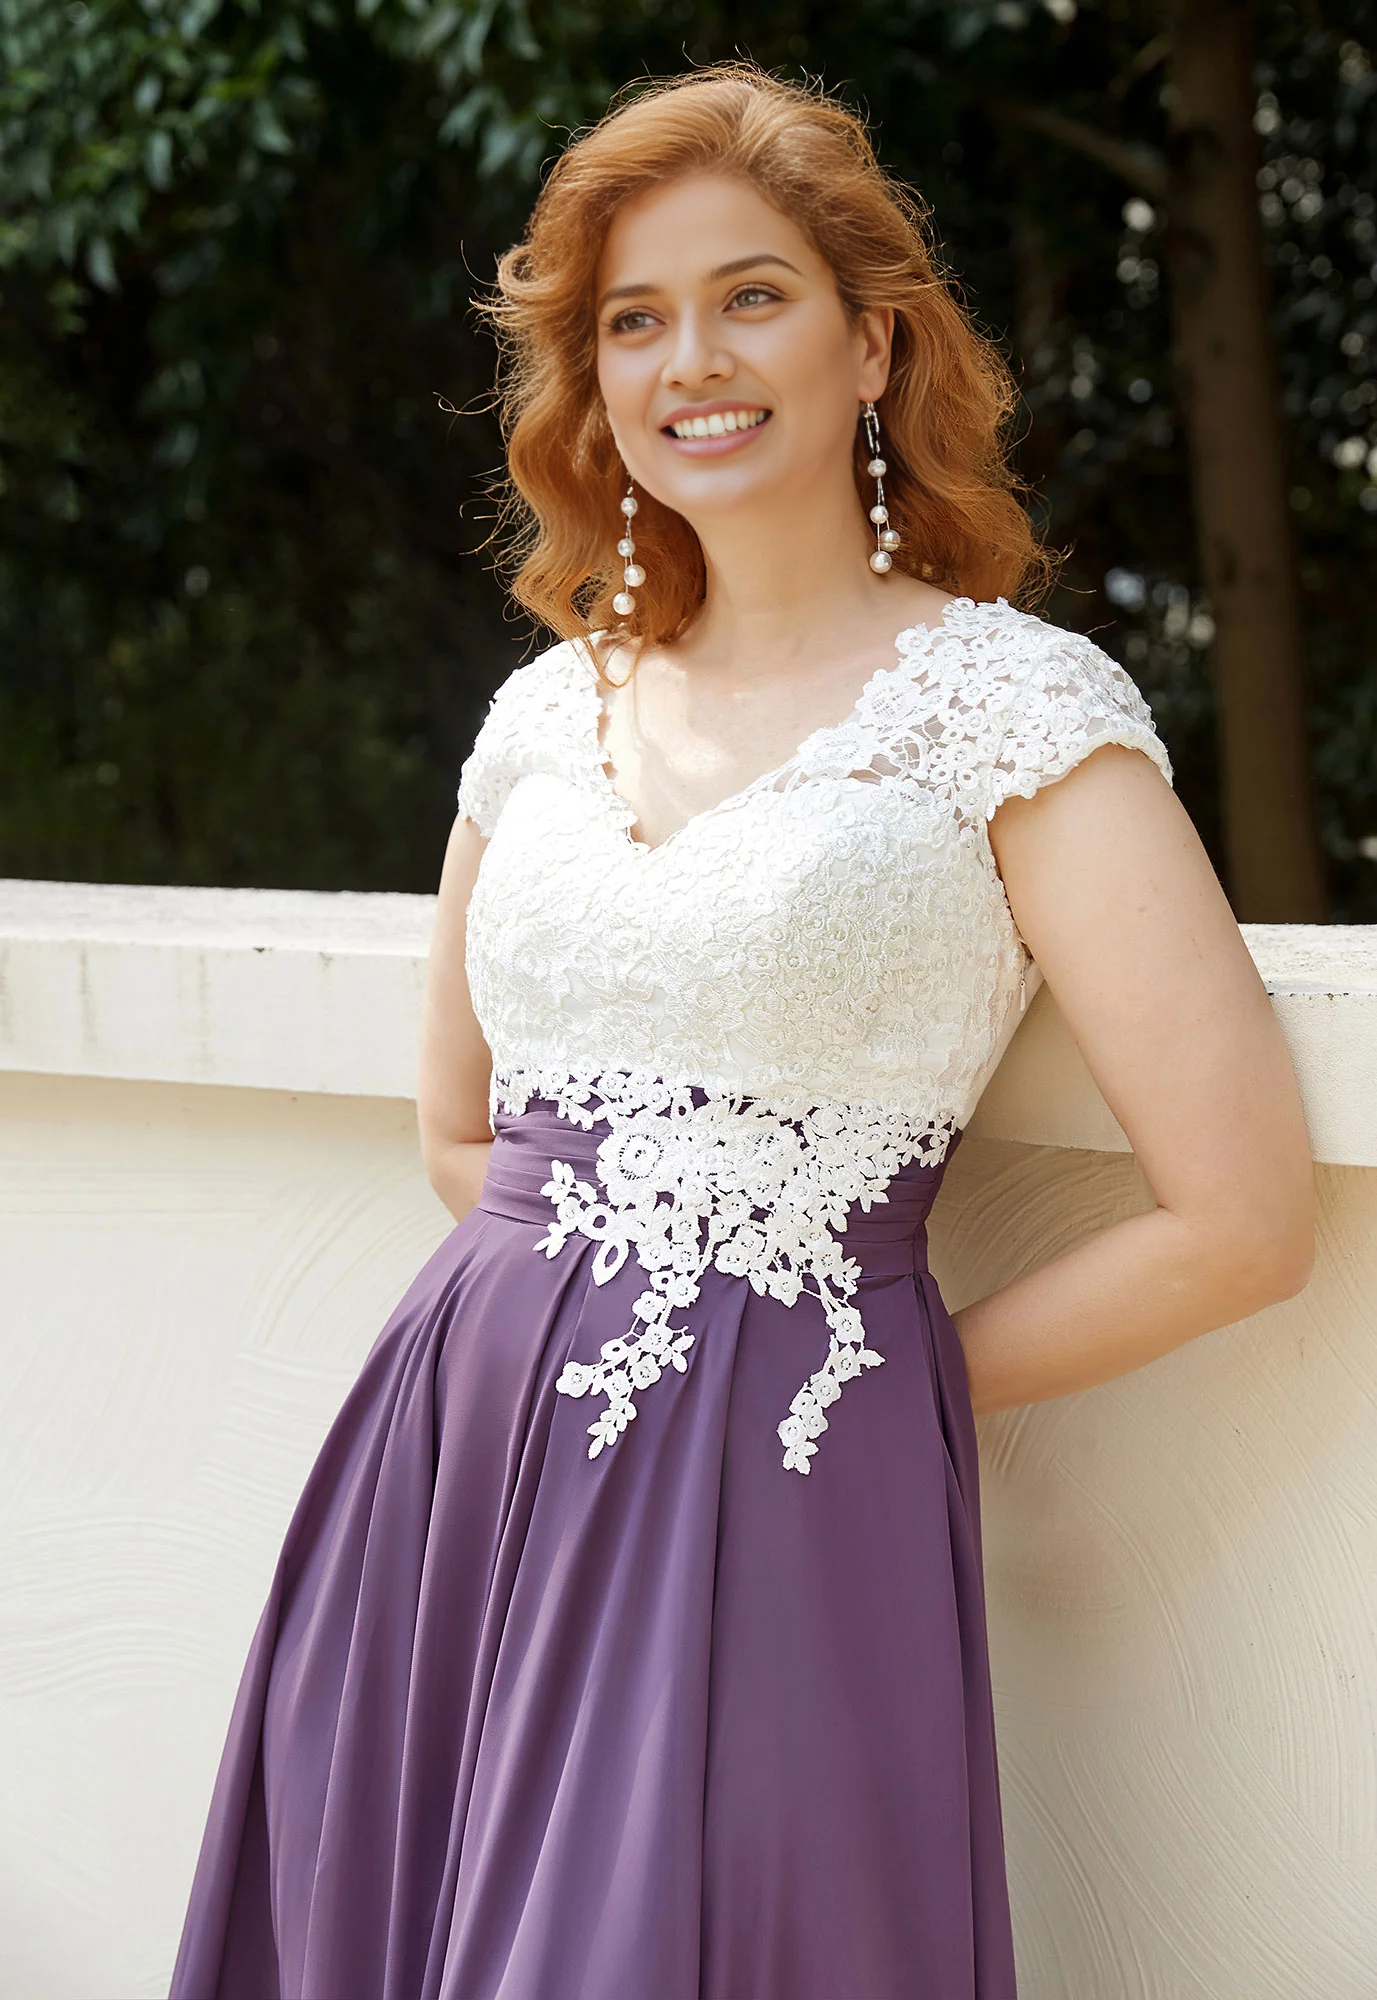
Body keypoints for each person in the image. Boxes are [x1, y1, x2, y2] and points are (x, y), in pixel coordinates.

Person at [168, 62, 1315, 2000]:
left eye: (750, 295)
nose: (690, 357)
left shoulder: (1018, 711)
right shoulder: (548, 711)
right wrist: (546, 1362)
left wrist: (855, 1386)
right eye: (634, 319)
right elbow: (459, 1127)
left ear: (872, 341)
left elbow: (1242, 1215)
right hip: (453, 1461)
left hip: (792, 1479)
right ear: (592, 379)